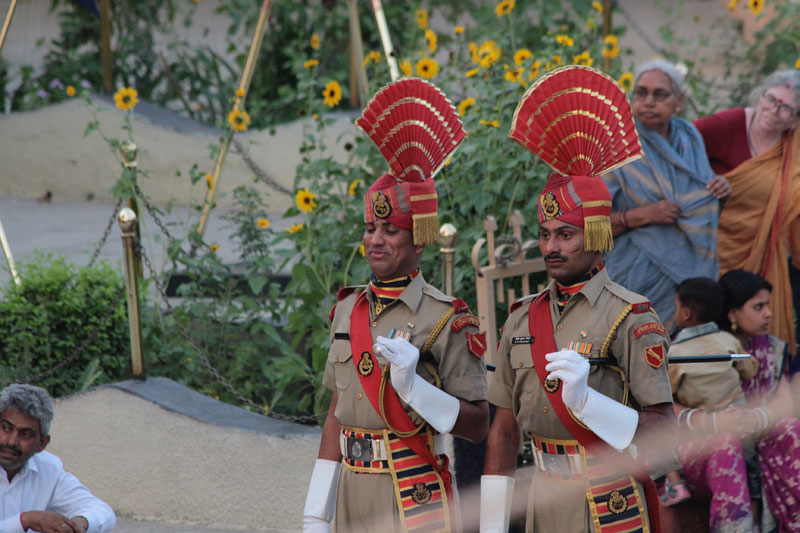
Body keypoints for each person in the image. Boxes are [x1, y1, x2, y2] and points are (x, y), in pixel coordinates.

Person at [482, 66, 675, 533]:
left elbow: (662, 432)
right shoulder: (522, 318)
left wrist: (590, 403)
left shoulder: (630, 316)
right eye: (545, 235)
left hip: (610, 504)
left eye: (565, 235)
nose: (551, 247)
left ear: (595, 234)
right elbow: (504, 430)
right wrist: (490, 524)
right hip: (544, 501)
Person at [302, 78, 489, 532]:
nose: (375, 240)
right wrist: (315, 511)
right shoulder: (349, 309)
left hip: (411, 489)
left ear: (418, 239)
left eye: (390, 230)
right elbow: (335, 414)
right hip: (351, 486)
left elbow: (477, 425)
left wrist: (416, 390)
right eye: (370, 228)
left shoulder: (448, 317)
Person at [602, 60, 730, 334]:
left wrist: (719, 191)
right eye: (641, 92)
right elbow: (586, 227)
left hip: (689, 275)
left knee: (681, 362)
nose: (649, 101)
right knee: (637, 353)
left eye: (660, 95)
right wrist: (642, 215)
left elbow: (698, 200)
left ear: (678, 101)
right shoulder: (616, 145)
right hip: (635, 273)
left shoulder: (689, 136)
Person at [695, 69, 800, 353]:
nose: (774, 110)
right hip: (714, 250)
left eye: (786, 108)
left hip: (766, 255)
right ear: (761, 94)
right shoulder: (728, 124)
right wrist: (707, 181)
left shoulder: (793, 147)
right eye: (771, 99)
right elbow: (680, 147)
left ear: (794, 119)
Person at [711, 269, 800, 531]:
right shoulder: (708, 349)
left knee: (790, 427)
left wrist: (756, 417)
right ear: (732, 313)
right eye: (758, 307)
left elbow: (785, 402)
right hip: (717, 429)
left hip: (763, 428)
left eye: (768, 306)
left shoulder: (772, 348)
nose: (768, 313)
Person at [668, 277, 759, 531]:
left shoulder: (674, 353)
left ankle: (674, 483)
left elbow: (668, 393)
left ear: (685, 313)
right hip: (738, 421)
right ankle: (754, 500)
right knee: (749, 462)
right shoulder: (728, 342)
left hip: (702, 434)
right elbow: (749, 370)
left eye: (675, 307)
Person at [0, 383, 116, 533]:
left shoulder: (48, 470)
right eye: (5, 428)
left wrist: (80, 523)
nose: (11, 441)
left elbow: (103, 512)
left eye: (25, 434)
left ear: (42, 443)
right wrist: (26, 520)